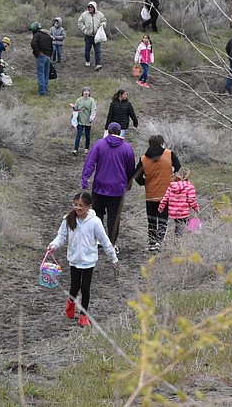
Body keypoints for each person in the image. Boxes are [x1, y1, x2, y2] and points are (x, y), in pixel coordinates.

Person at [47, 191, 118, 327]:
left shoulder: (95, 222)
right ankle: (70, 304)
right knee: (74, 287)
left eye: (82, 205)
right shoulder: (68, 219)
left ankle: (83, 316)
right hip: (74, 259)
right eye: (76, 205)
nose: (78, 208)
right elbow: (61, 236)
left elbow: (105, 241)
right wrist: (53, 245)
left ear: (89, 206)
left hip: (89, 261)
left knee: (85, 288)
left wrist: (113, 258)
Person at [81, 122, 136, 247]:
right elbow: (130, 168)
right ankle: (111, 243)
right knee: (114, 218)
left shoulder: (99, 144)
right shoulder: (127, 147)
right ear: (119, 132)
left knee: (97, 215)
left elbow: (90, 162)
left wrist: (85, 179)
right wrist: (128, 183)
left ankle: (97, 240)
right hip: (117, 189)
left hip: (99, 187)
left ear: (109, 131)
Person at [134, 135, 181, 251]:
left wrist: (145, 183)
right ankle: (159, 242)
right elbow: (179, 169)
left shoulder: (143, 159)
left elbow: (137, 176)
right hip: (166, 193)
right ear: (162, 144)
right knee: (163, 218)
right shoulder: (170, 154)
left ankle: (151, 242)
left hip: (150, 194)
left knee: (151, 219)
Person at [157, 168, 199, 236]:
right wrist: (196, 208)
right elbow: (191, 200)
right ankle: (181, 239)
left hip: (173, 212)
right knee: (183, 225)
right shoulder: (190, 186)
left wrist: (161, 207)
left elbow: (165, 198)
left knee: (178, 225)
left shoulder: (171, 186)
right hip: (184, 212)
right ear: (188, 176)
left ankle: (178, 236)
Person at [77, 1, 107, 71]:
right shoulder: (84, 14)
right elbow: (80, 22)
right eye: (89, 7)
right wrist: (84, 29)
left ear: (94, 7)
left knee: (98, 50)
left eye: (91, 7)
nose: (90, 8)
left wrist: (102, 25)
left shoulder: (100, 14)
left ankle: (98, 64)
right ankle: (87, 61)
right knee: (87, 50)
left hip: (97, 35)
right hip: (88, 36)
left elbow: (104, 21)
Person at [72, 87, 96, 156]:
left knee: (87, 135)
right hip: (80, 121)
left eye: (88, 91)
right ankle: (75, 149)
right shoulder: (78, 100)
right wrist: (74, 117)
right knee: (78, 135)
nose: (86, 92)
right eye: (85, 91)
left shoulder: (91, 100)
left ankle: (86, 149)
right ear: (82, 92)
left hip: (88, 121)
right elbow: (75, 110)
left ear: (89, 93)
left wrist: (91, 118)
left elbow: (93, 110)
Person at [31, 22, 53, 96]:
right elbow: (52, 47)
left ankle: (42, 92)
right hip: (48, 57)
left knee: (41, 74)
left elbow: (33, 43)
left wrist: (38, 52)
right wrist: (49, 55)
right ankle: (46, 91)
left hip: (41, 57)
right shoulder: (48, 36)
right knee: (46, 75)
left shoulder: (37, 35)